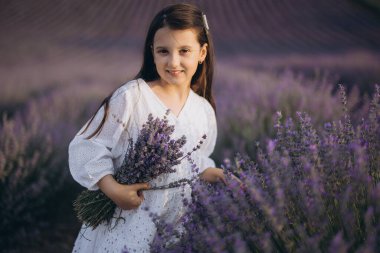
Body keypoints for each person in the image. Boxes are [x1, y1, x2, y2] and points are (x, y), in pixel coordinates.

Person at [68, 3, 226, 252]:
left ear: (202, 52)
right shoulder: (133, 97)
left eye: (184, 50)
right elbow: (87, 145)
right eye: (164, 51)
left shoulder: (203, 110)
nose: (174, 61)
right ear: (152, 51)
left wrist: (214, 173)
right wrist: (113, 189)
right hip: (129, 219)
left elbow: (193, 161)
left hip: (176, 223)